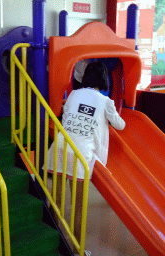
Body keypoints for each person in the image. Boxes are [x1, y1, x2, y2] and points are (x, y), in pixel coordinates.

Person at [47, 61, 126, 256]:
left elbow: (66, 114)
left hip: (59, 146)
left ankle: (53, 244)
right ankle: (77, 251)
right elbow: (120, 125)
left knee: (56, 200)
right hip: (80, 155)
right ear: (104, 78)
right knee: (78, 206)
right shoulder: (105, 101)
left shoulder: (74, 94)